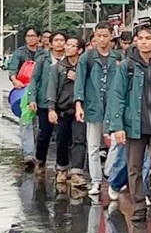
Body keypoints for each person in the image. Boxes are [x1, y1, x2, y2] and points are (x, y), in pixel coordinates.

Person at [106, 23, 151, 222]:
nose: (145, 42)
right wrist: (118, 126)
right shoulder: (127, 66)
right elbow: (118, 96)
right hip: (134, 123)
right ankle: (138, 205)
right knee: (134, 166)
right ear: (136, 41)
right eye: (141, 38)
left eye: (149, 38)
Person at [74, 22, 122, 195]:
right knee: (93, 146)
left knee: (116, 144)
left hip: (113, 106)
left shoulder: (118, 57)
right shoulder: (87, 58)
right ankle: (95, 181)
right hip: (93, 105)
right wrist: (79, 104)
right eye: (98, 36)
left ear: (111, 37)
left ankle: (109, 173)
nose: (102, 39)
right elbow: (79, 82)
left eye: (105, 36)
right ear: (94, 37)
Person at [46, 36, 86, 185]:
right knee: (62, 139)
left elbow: (90, 87)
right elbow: (52, 89)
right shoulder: (58, 67)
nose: (67, 47)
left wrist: (79, 79)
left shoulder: (84, 67)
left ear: (80, 50)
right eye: (67, 45)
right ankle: (61, 169)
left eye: (71, 45)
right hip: (63, 109)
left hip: (80, 109)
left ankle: (77, 172)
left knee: (79, 140)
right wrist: (51, 109)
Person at [26, 32, 66, 177]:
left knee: (63, 136)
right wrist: (32, 99)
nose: (59, 43)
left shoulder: (69, 60)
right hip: (44, 102)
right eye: (56, 40)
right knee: (44, 134)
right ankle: (41, 160)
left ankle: (61, 166)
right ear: (51, 42)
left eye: (62, 40)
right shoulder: (43, 60)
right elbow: (34, 80)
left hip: (63, 103)